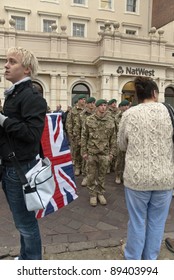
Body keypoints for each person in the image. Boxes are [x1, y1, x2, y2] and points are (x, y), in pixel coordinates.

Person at [117, 76, 174, 260]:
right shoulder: (169, 111)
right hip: (164, 178)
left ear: (137, 95)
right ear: (155, 93)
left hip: (137, 178)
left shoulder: (129, 114)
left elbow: (121, 145)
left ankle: (133, 258)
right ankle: (150, 259)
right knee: (157, 223)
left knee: (137, 221)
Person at [0, 47, 47, 260]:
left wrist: (2, 120)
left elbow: (31, 135)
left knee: (26, 223)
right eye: (6, 61)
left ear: (26, 69)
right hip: (11, 166)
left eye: (12, 61)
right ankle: (25, 258)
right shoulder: (15, 94)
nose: (6, 65)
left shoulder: (31, 96)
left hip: (20, 169)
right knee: (22, 222)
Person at [81, 99, 116, 206]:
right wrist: (84, 152)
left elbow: (113, 138)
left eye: (105, 105)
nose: (103, 107)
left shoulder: (110, 121)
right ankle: (92, 194)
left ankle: (100, 193)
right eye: (101, 105)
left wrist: (111, 154)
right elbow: (84, 136)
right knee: (91, 175)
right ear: (96, 107)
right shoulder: (89, 120)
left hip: (104, 153)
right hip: (92, 153)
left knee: (102, 175)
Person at [74, 96, 96, 186]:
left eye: (93, 103)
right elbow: (77, 128)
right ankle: (85, 177)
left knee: (94, 161)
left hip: (95, 141)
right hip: (85, 141)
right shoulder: (81, 115)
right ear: (86, 104)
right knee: (85, 160)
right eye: (90, 103)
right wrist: (79, 140)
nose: (92, 105)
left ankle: (93, 178)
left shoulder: (97, 114)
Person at [66, 94, 86, 176]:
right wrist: (70, 134)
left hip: (85, 134)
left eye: (84, 99)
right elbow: (68, 123)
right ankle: (78, 167)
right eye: (81, 99)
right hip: (76, 135)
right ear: (78, 100)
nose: (83, 101)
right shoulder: (73, 111)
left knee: (85, 152)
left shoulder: (86, 110)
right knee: (77, 151)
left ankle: (84, 168)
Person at [115, 99, 130, 184]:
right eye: (124, 106)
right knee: (119, 159)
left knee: (127, 159)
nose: (126, 107)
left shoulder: (131, 116)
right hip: (119, 140)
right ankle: (118, 175)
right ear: (120, 107)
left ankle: (125, 176)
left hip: (129, 141)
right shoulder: (117, 117)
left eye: (127, 105)